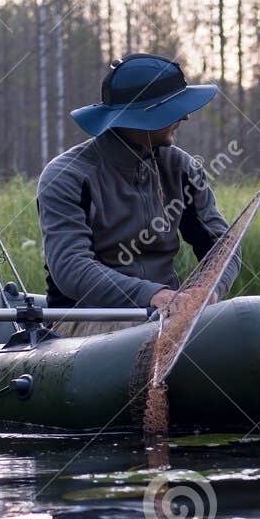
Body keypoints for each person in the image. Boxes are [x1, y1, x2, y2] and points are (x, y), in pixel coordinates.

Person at [36, 53, 240, 331]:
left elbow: (222, 247)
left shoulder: (181, 168)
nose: (187, 116)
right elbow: (71, 268)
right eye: (174, 108)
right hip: (86, 320)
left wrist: (208, 289)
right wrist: (153, 295)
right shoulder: (67, 176)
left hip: (164, 319)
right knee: (143, 331)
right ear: (142, 116)